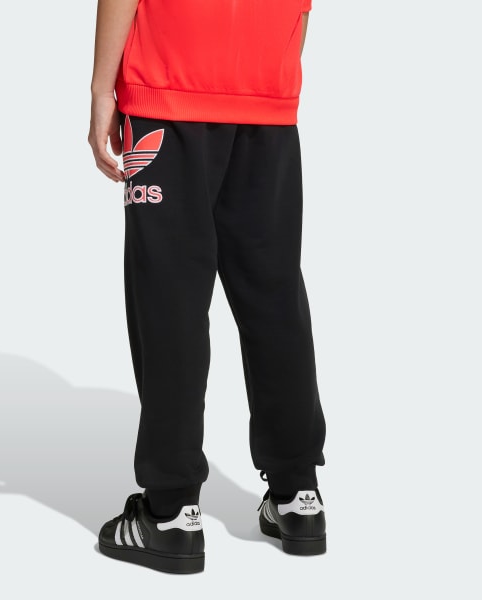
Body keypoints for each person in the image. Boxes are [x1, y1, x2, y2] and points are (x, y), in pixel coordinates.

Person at [88, 0, 326, 574]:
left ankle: (170, 512)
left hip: (170, 89)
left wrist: (101, 89)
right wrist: (269, 75)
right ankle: (298, 496)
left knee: (169, 293)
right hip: (266, 95)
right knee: (273, 294)